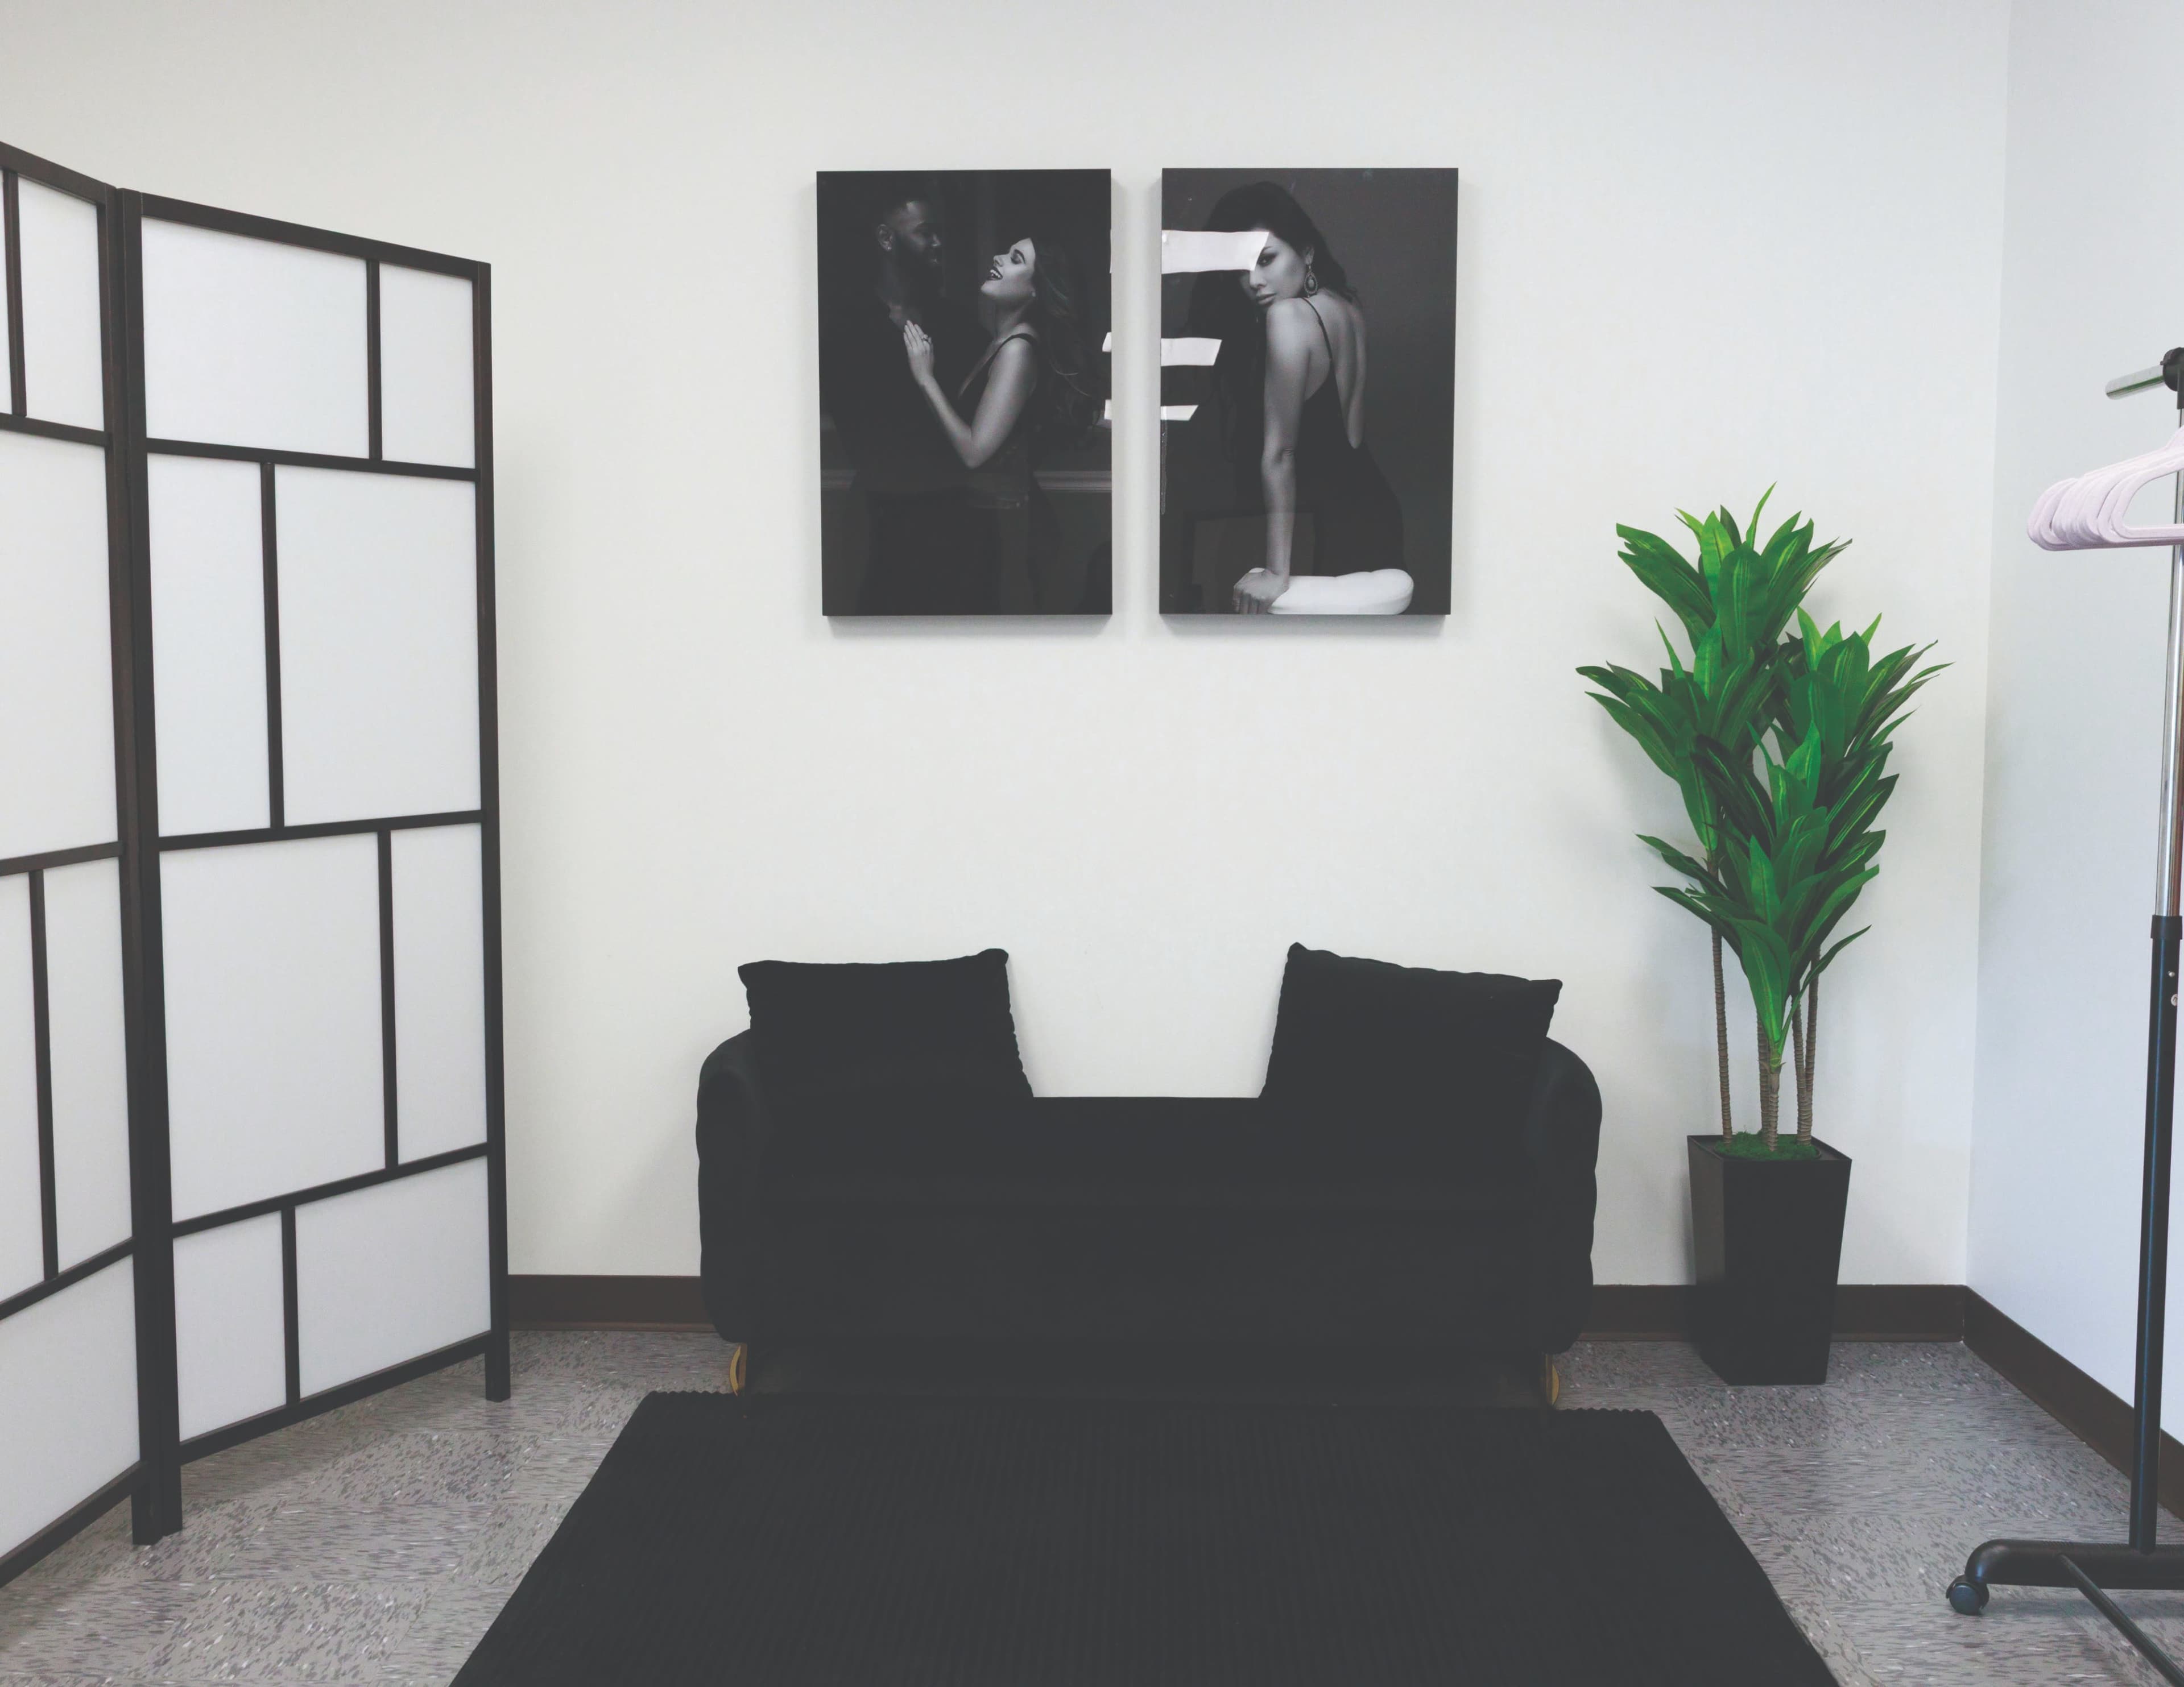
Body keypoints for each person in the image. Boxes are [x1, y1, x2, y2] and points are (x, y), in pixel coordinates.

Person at [1186, 182, 1409, 614]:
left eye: (1267, 260)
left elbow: (1281, 454)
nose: (1252, 281)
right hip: (1373, 515)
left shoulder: (1286, 318)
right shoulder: (1346, 308)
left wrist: (1276, 571)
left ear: (1306, 254)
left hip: (1324, 530)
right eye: (1240, 269)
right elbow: (1352, 437)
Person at [900, 233, 1098, 611]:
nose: (999, 258)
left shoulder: (1019, 350)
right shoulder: (1001, 343)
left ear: (1036, 290)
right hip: (986, 519)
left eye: (1016, 259)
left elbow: (975, 452)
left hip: (1007, 528)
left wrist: (925, 377)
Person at [818, 179, 988, 612]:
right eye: (925, 231)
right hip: (879, 520)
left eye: (939, 233)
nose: (937, 243)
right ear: (886, 238)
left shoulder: (959, 326)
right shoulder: (843, 331)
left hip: (954, 523)